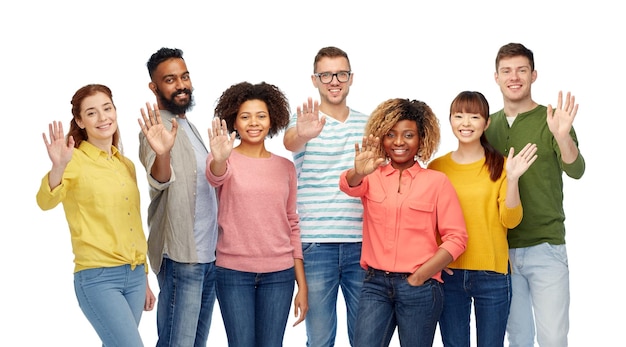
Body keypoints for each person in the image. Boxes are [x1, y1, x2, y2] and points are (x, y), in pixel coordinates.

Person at [339, 98, 468, 347]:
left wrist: (420, 276)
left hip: (419, 288)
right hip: (374, 285)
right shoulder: (370, 176)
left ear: (421, 139)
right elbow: (348, 185)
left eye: (408, 135)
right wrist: (358, 172)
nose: (399, 142)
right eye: (391, 135)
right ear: (382, 139)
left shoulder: (437, 182)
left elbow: (457, 238)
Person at [36, 84, 156, 347]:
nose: (103, 118)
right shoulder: (73, 161)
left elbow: (132, 224)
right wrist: (58, 168)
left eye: (107, 108)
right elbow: (45, 201)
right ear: (80, 121)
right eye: (92, 113)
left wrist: (145, 277)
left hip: (134, 277)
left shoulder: (125, 164)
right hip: (98, 277)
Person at [485, 43, 585, 347]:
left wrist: (562, 136)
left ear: (533, 75)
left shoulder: (552, 120)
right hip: (501, 251)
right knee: (518, 338)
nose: (514, 77)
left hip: (546, 245)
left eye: (521, 70)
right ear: (496, 77)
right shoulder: (487, 125)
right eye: (507, 71)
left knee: (553, 338)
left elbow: (577, 169)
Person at [428, 91, 538, 347]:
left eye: (474, 116)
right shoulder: (436, 169)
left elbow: (510, 220)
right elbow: (426, 223)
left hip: (493, 273)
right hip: (450, 273)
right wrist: (434, 259)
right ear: (451, 120)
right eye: (459, 116)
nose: (466, 123)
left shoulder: (501, 166)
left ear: (486, 123)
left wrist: (512, 179)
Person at [205, 81, 308, 346]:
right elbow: (215, 177)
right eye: (245, 116)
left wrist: (302, 284)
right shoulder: (222, 158)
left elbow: (292, 223)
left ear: (271, 119)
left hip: (280, 273)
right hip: (233, 272)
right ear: (234, 122)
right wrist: (218, 158)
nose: (254, 123)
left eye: (261, 116)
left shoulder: (285, 167)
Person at [283, 46, 369, 347]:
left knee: (366, 337)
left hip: (363, 244)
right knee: (319, 339)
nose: (335, 80)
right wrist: (305, 133)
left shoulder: (368, 124)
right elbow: (290, 142)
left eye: (341, 73)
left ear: (351, 78)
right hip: (317, 245)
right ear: (315, 80)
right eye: (326, 75)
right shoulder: (303, 122)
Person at [138, 47, 219, 347]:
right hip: (181, 257)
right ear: (154, 87)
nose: (181, 84)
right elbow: (159, 178)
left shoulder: (190, 127)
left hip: (208, 257)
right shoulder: (154, 128)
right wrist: (163, 153)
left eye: (184, 76)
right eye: (170, 79)